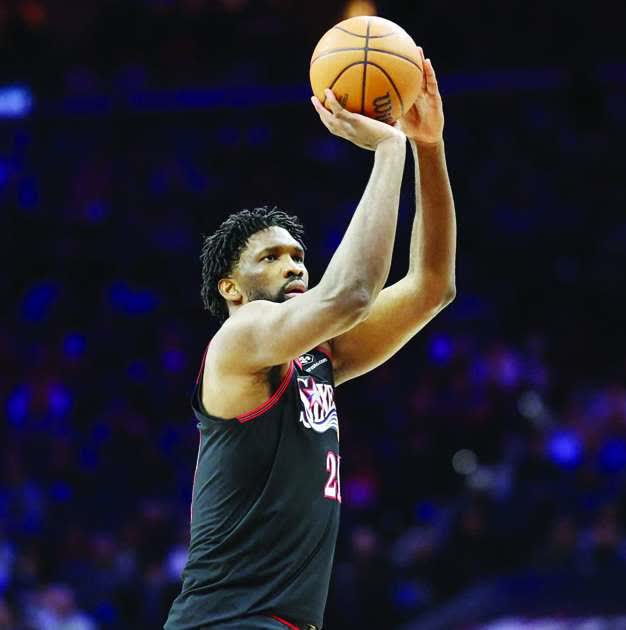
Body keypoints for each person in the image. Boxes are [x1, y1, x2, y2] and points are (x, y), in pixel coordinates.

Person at [165, 53, 455, 630]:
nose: (293, 267)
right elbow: (349, 294)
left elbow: (431, 287)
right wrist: (389, 150)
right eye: (270, 258)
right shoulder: (238, 340)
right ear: (232, 288)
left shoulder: (318, 358)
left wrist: (429, 145)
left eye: (298, 256)